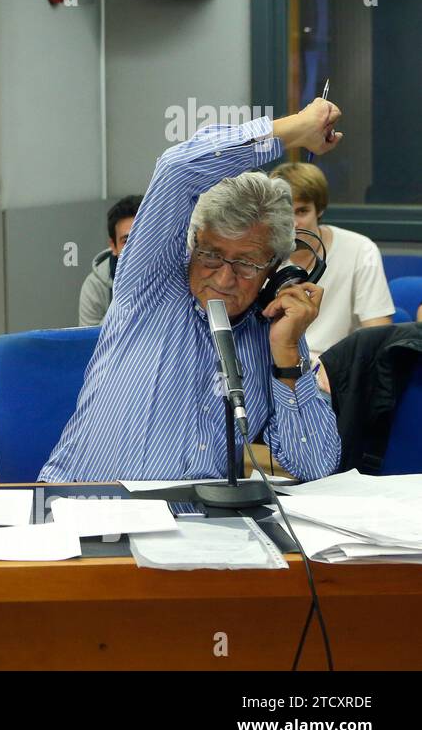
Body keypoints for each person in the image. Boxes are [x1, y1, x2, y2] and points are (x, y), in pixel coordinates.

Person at [39, 101, 343, 482]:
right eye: (212, 254)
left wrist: (285, 356)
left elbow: (315, 465)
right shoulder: (152, 282)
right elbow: (176, 169)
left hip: (200, 529)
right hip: (91, 512)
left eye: (247, 264)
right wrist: (292, 130)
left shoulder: (274, 329)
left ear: (274, 269)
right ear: (194, 242)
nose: (224, 278)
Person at [268, 162, 393, 361]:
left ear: (319, 210)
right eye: (284, 213)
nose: (293, 223)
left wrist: (334, 369)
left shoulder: (360, 249)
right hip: (275, 364)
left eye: (302, 211)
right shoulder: (259, 257)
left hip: (337, 370)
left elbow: (379, 336)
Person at [79, 194, 142, 327]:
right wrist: (126, 297)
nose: (136, 248)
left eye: (142, 236)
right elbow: (88, 344)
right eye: (126, 241)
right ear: (114, 246)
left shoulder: (178, 275)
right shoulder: (95, 286)